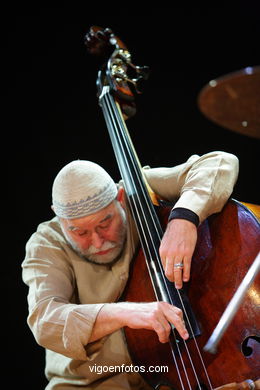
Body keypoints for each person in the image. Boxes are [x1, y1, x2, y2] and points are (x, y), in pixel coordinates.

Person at [22, 152, 239, 389]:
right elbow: (45, 320)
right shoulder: (46, 243)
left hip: (169, 373)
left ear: (120, 198)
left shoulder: (137, 189)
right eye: (80, 233)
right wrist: (125, 313)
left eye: (105, 223)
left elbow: (220, 163)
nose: (97, 242)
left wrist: (184, 219)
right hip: (90, 383)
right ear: (59, 216)